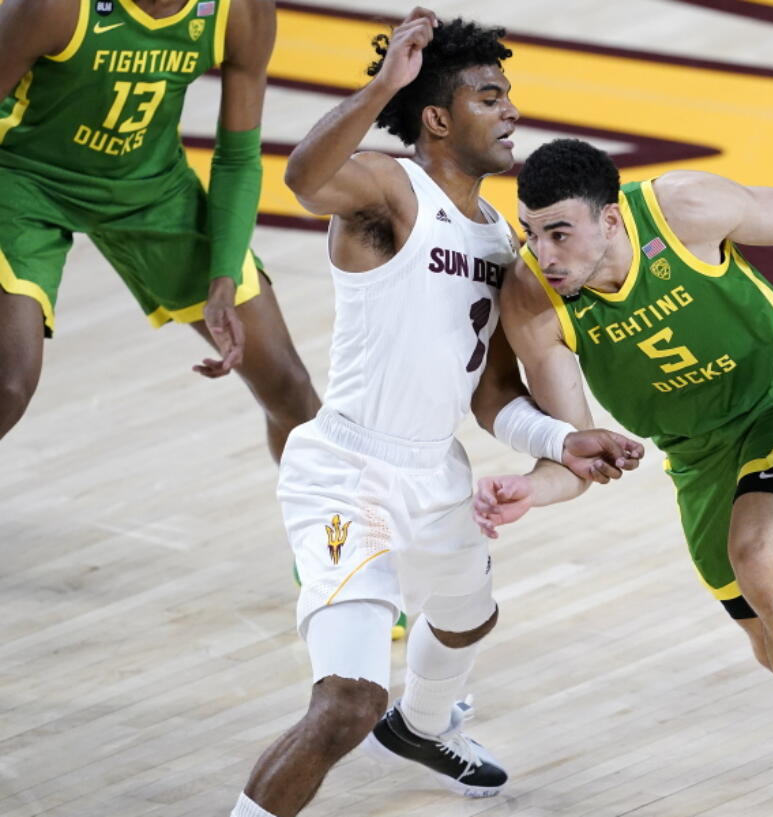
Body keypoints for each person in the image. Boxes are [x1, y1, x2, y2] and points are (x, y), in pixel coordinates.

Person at [228, 15, 643, 817]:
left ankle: (420, 726)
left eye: (509, 94)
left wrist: (565, 438)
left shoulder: (497, 239)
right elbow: (304, 181)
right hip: (348, 473)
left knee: (467, 618)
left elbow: (489, 394)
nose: (511, 110)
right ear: (439, 119)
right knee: (347, 703)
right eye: (491, 96)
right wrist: (383, 84)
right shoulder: (391, 191)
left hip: (434, 468)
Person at [475, 138, 773, 817]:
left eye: (560, 232)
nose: (543, 252)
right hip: (696, 455)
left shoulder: (683, 210)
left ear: (610, 220)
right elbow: (574, 455)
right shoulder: (533, 301)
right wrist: (534, 487)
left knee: (761, 560)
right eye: (531, 232)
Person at [0, 0, 318, 461]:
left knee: (289, 384)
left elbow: (237, 156)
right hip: (24, 179)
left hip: (151, 189)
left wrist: (224, 276)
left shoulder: (240, 10)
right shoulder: (53, 7)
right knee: (10, 382)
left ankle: (339, 533)